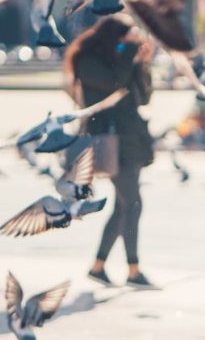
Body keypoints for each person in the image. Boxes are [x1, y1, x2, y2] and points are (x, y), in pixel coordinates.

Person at [63, 15, 158, 289]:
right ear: (113, 38)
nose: (128, 46)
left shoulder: (124, 60)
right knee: (133, 204)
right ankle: (133, 270)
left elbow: (144, 96)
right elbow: (114, 82)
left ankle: (98, 266)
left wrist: (143, 63)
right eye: (124, 41)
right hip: (108, 139)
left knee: (123, 205)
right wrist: (129, 53)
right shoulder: (87, 60)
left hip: (131, 139)